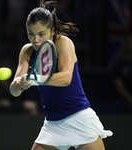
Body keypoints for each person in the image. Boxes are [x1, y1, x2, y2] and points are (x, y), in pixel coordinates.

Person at [9, 1, 113, 150]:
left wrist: (35, 80)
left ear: (52, 30)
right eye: (31, 34)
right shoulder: (27, 51)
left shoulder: (63, 43)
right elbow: (14, 91)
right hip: (53, 124)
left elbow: (66, 78)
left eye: (41, 34)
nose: (35, 40)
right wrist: (20, 83)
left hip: (79, 118)